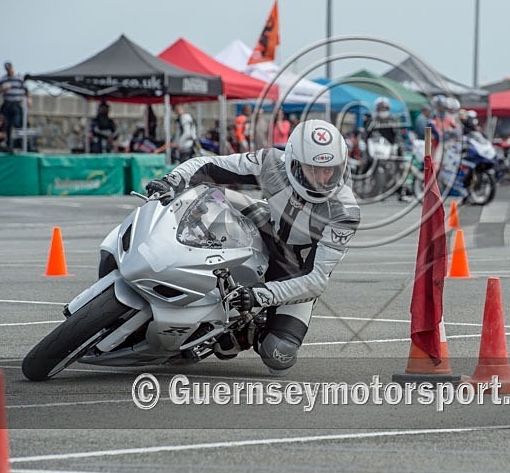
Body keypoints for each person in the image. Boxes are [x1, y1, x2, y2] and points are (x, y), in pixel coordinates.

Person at [144, 119, 360, 375]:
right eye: (313, 169)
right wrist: (173, 180)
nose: (322, 178)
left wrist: (260, 295)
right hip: (263, 226)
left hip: (295, 272)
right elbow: (211, 165)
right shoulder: (270, 162)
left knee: (279, 354)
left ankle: (244, 332)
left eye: (330, 170)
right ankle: (163, 260)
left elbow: (315, 281)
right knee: (202, 196)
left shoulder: (345, 212)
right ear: (293, 162)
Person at [0, 61, 29, 150]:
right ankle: (9, 144)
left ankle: (19, 143)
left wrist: (29, 100)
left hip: (16, 103)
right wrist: (3, 89)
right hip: (7, 103)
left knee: (17, 123)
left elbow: (26, 90)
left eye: (9, 68)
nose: (8, 70)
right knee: (7, 124)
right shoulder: (3, 79)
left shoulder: (19, 78)